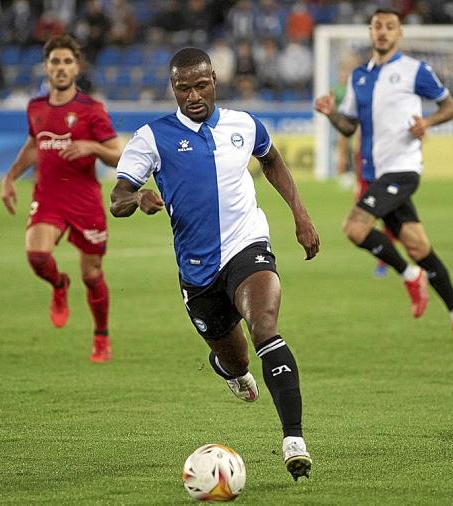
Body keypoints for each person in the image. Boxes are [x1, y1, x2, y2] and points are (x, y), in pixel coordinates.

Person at [110, 47, 319, 480]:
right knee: (239, 361)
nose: (192, 96)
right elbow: (117, 200)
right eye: (182, 88)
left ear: (214, 81)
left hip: (248, 246)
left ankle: (293, 440)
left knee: (265, 326)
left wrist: (301, 215)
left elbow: (273, 160)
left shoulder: (244, 124)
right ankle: (228, 370)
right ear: (173, 88)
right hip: (197, 272)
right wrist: (138, 197)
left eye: (200, 85)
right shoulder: (151, 138)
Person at [314, 8, 453, 354]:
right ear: (370, 32)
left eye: (390, 26)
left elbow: (450, 107)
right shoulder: (359, 77)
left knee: (354, 228)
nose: (383, 32)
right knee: (420, 247)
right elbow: (349, 126)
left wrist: (427, 124)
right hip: (376, 172)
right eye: (377, 26)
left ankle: (409, 275)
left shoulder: (414, 71)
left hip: (403, 169)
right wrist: (331, 114)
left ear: (400, 33)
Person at [0, 34, 121, 363]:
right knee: (37, 256)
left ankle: (101, 337)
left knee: (92, 274)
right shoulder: (35, 107)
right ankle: (58, 284)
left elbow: (117, 154)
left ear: (77, 67)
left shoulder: (91, 109)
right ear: (46, 67)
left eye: (68, 61)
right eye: (55, 61)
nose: (61, 67)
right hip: (49, 196)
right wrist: (10, 176)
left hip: (84, 198)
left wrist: (92, 147)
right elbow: (34, 145)